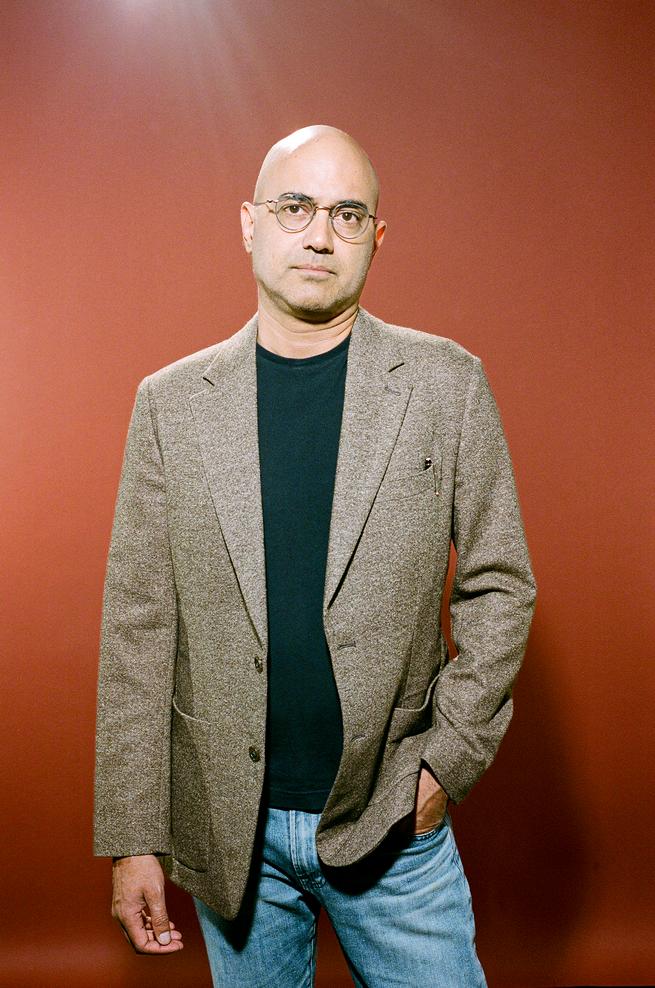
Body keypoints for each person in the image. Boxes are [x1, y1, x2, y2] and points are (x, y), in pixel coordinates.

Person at [95, 125, 536, 987]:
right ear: (250, 223)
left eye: (346, 212)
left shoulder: (446, 384)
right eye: (295, 206)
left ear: (376, 236)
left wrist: (446, 761)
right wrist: (132, 838)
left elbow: (500, 583)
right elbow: (137, 634)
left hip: (391, 824)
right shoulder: (170, 405)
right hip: (232, 836)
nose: (319, 233)